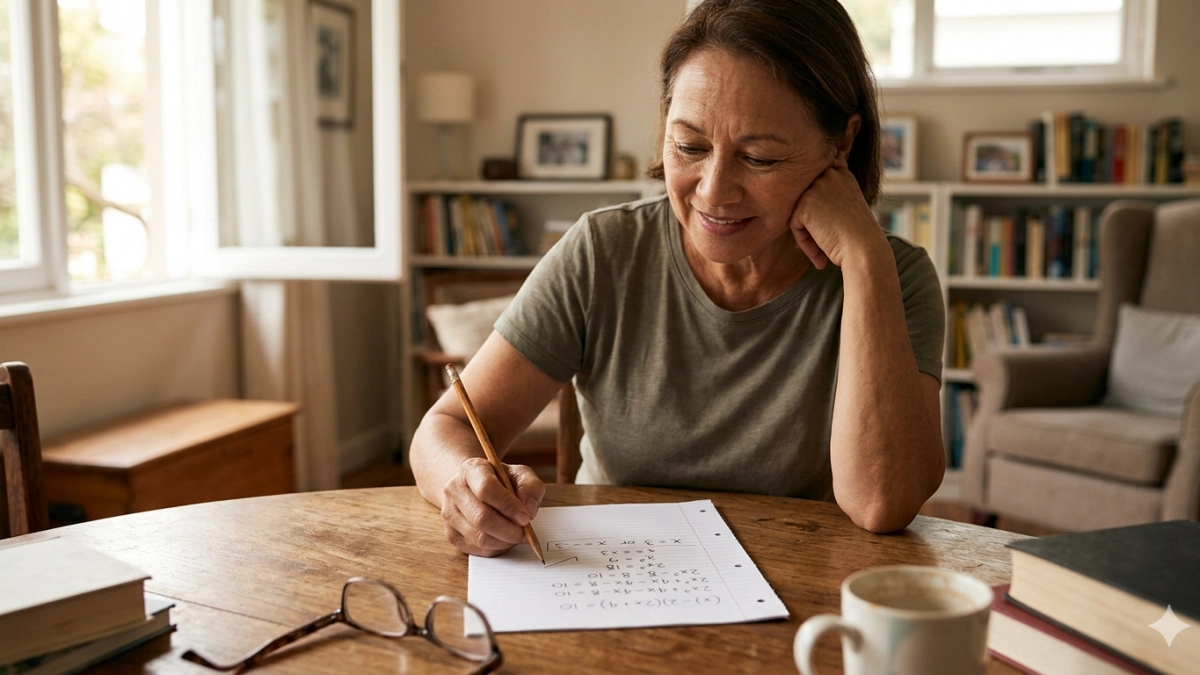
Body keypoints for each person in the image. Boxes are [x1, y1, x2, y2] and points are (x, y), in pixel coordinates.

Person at [411, 0, 946, 557]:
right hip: (617, 581)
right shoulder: (603, 252)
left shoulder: (894, 278)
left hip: (804, 602)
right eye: (689, 146)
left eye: (759, 158)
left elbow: (883, 503)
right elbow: (444, 427)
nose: (712, 192)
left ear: (841, 144)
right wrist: (465, 482)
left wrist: (863, 261)